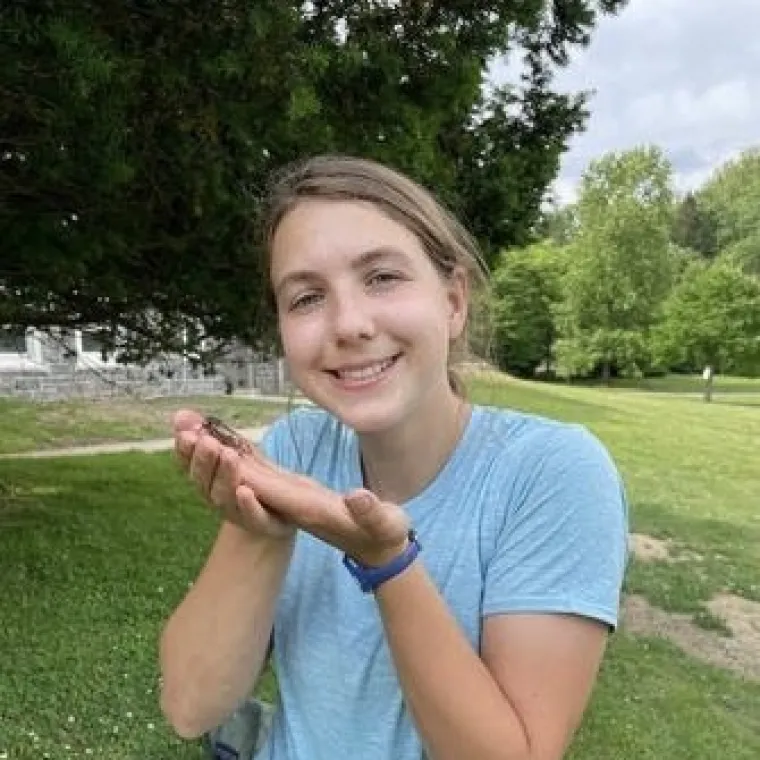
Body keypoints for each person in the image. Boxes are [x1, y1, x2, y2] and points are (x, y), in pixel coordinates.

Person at [160, 156, 629, 760]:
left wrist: (386, 562)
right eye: (305, 298)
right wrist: (262, 534)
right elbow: (189, 705)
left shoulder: (552, 474)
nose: (348, 324)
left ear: (454, 301)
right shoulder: (291, 452)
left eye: (381, 276)